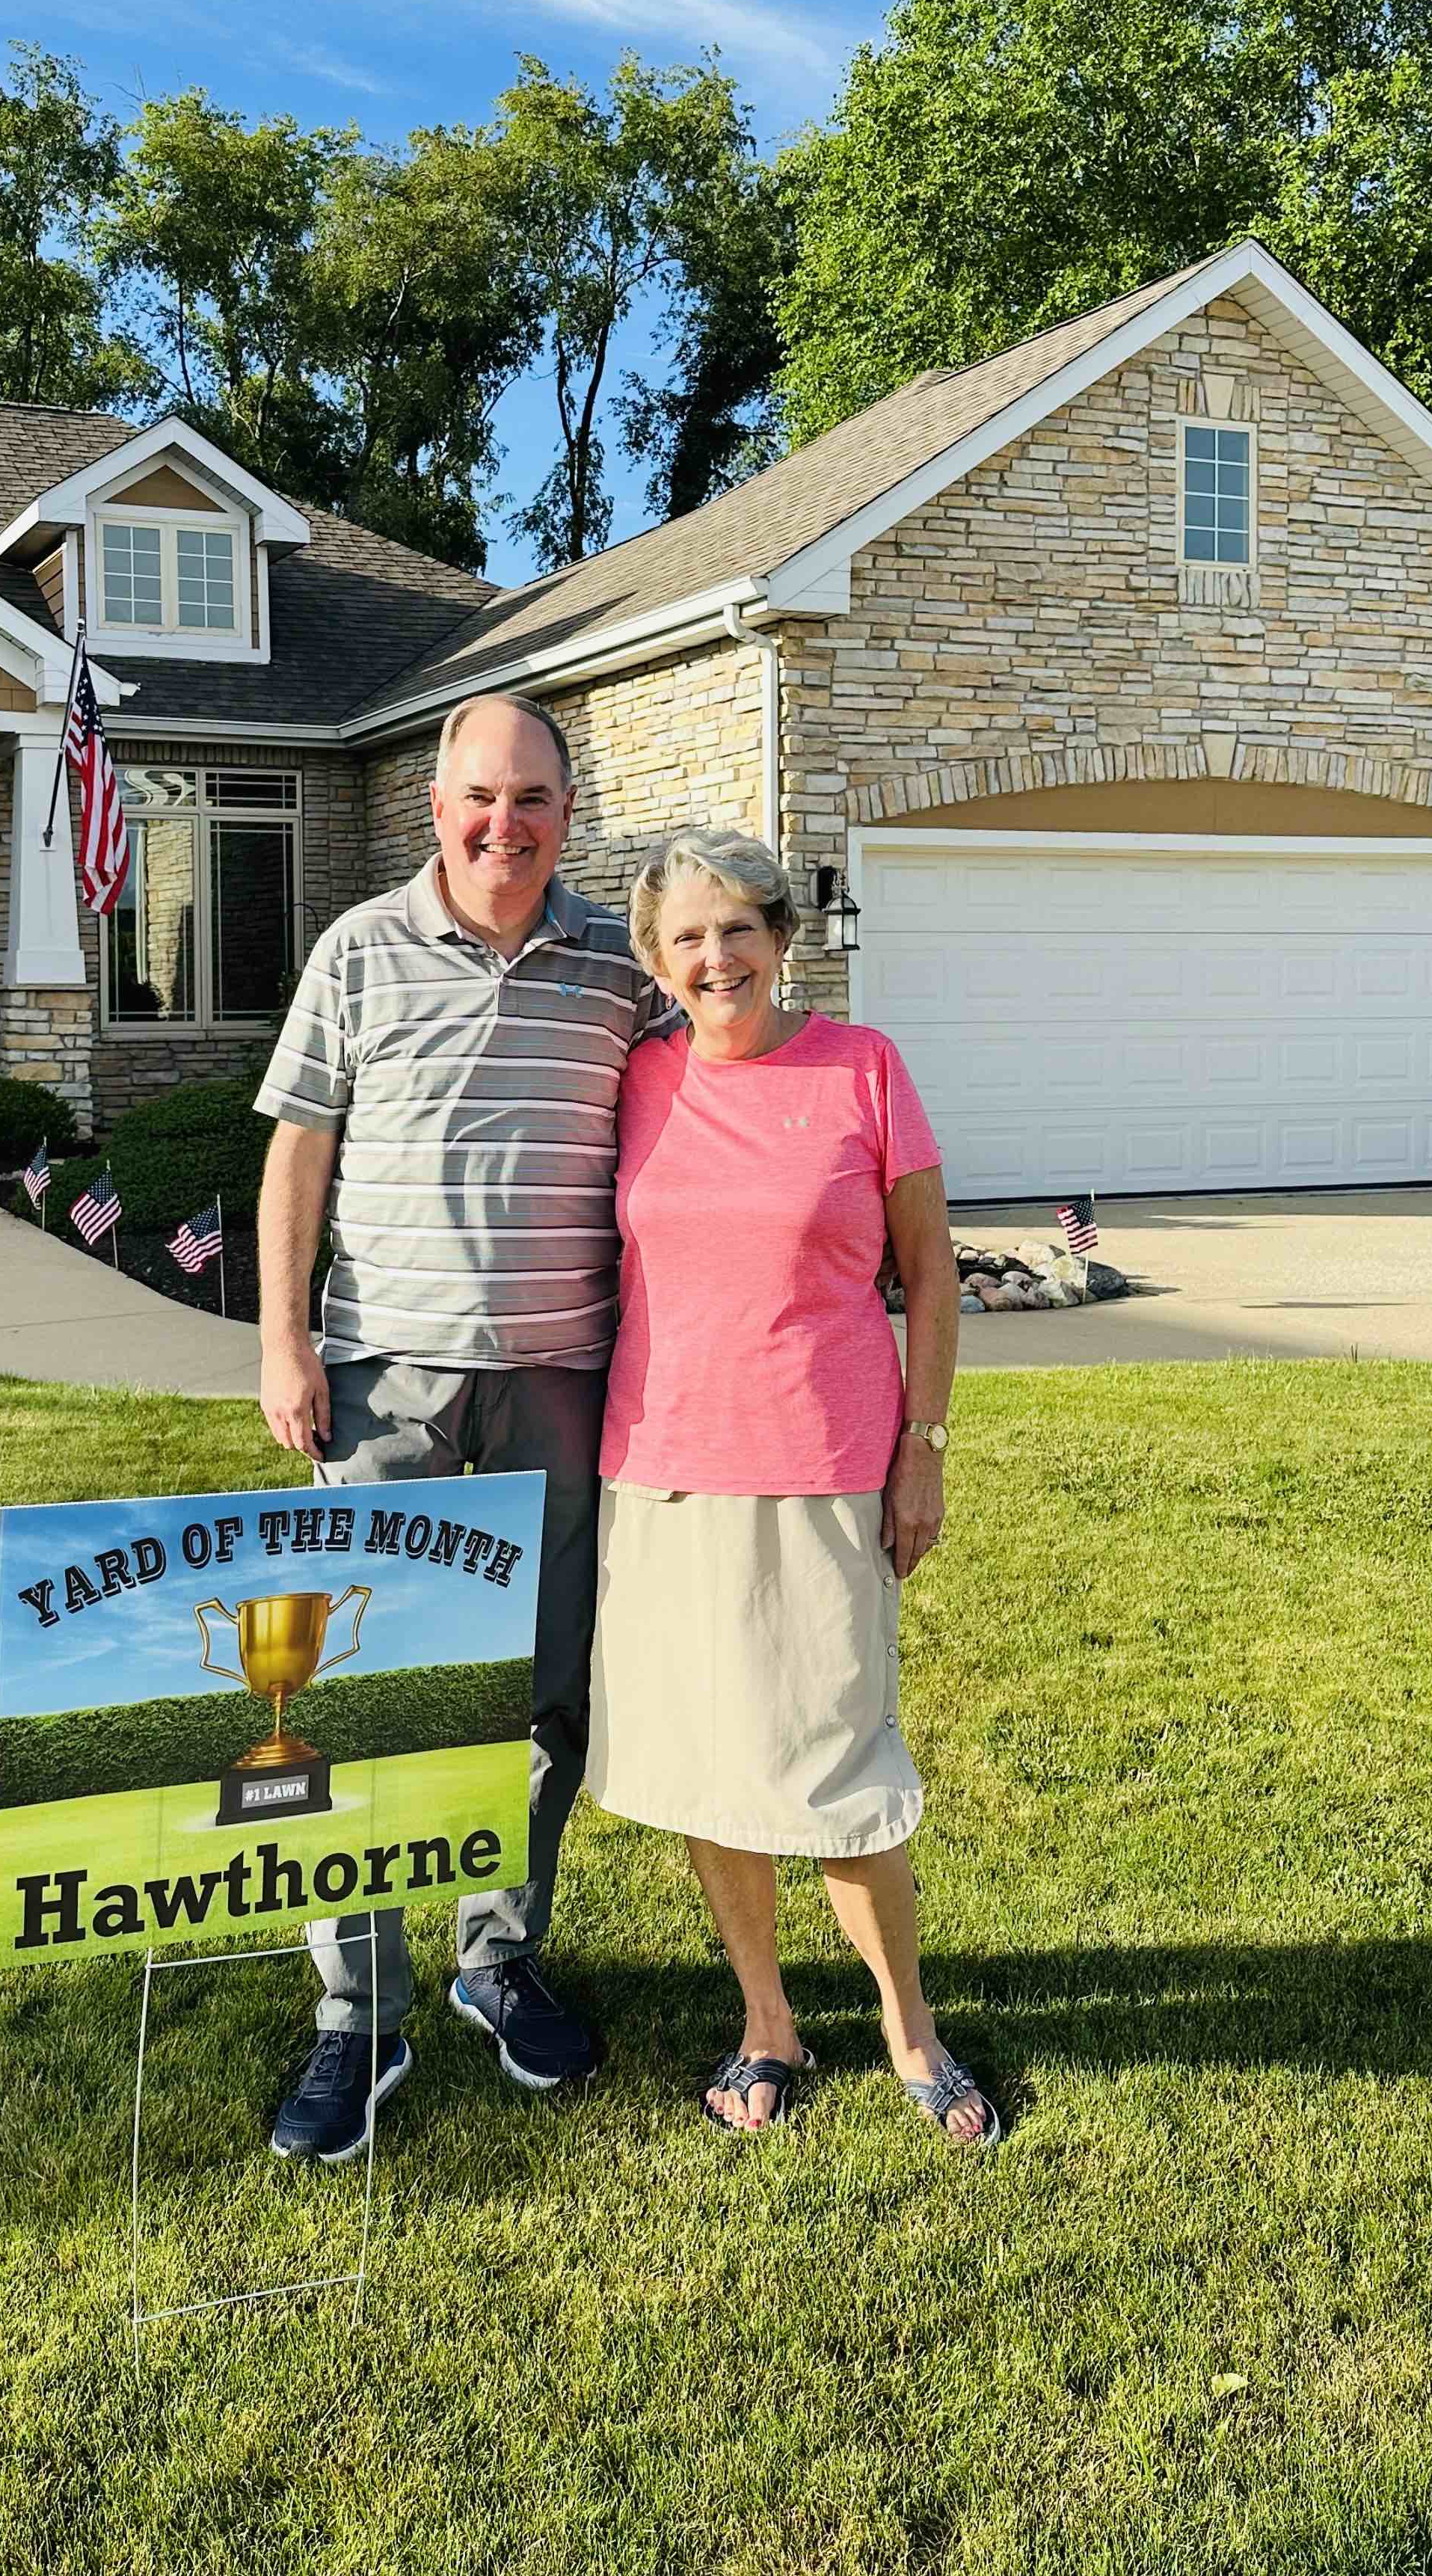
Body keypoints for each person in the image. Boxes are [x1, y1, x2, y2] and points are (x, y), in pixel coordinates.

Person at [253, 692, 663, 2162]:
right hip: (384, 1385)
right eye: (481, 799)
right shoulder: (358, 951)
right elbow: (299, 1151)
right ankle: (357, 2015)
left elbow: (714, 1108)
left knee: (541, 1701)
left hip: (563, 1382)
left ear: (569, 810)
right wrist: (284, 1338)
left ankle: (498, 1959)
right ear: (438, 808)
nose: (507, 825)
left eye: (535, 799)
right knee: (358, 1706)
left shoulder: (624, 964)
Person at [586, 827, 1001, 2149]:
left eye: (739, 929)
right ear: (657, 962)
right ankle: (768, 2021)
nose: (718, 958)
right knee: (713, 1762)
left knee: (839, 1757)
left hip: (824, 1462)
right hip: (658, 1466)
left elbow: (929, 1271)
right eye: (689, 938)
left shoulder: (864, 1069)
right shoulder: (636, 1081)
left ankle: (909, 2027)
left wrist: (923, 1444)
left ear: (780, 937)